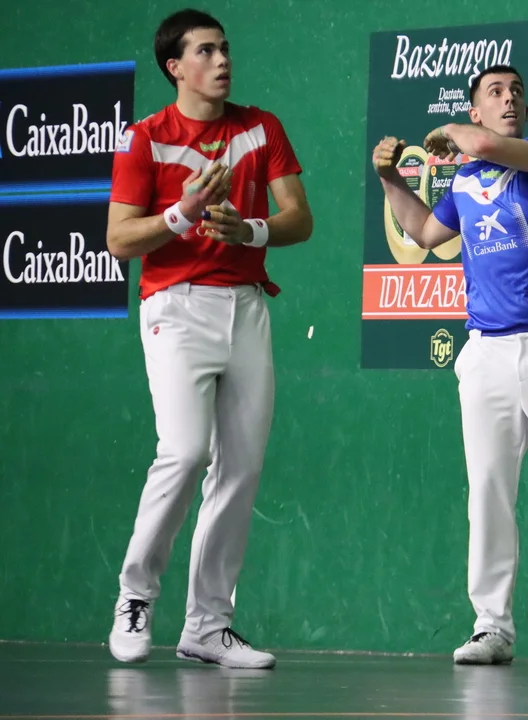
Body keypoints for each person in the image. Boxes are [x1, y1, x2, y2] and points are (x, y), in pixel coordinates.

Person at [371, 64, 528, 666]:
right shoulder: (463, 182)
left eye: (517, 93)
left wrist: (454, 133)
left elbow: (481, 145)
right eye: (496, 93)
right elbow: (422, 233)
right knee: (487, 491)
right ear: (477, 108)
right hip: (485, 352)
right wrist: (389, 179)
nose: (511, 100)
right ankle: (492, 627)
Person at [105, 8, 313, 670]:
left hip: (246, 307)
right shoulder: (146, 139)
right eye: (206, 51)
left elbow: (298, 218)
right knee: (186, 451)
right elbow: (119, 240)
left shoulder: (260, 127)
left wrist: (249, 230)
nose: (222, 60)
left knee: (241, 468)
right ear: (175, 67)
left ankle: (208, 625)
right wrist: (182, 213)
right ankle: (135, 596)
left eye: (224, 49)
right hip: (176, 309)